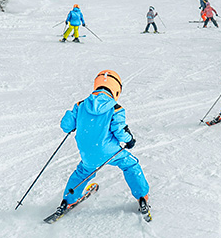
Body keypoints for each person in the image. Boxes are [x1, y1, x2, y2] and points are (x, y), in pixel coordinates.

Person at [54, 70, 151, 220]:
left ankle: (67, 201)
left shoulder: (81, 105)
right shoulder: (116, 108)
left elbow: (66, 126)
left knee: (83, 172)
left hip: (87, 152)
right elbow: (119, 132)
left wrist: (75, 120)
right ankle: (142, 197)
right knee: (130, 165)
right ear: (116, 89)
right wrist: (129, 140)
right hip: (110, 151)